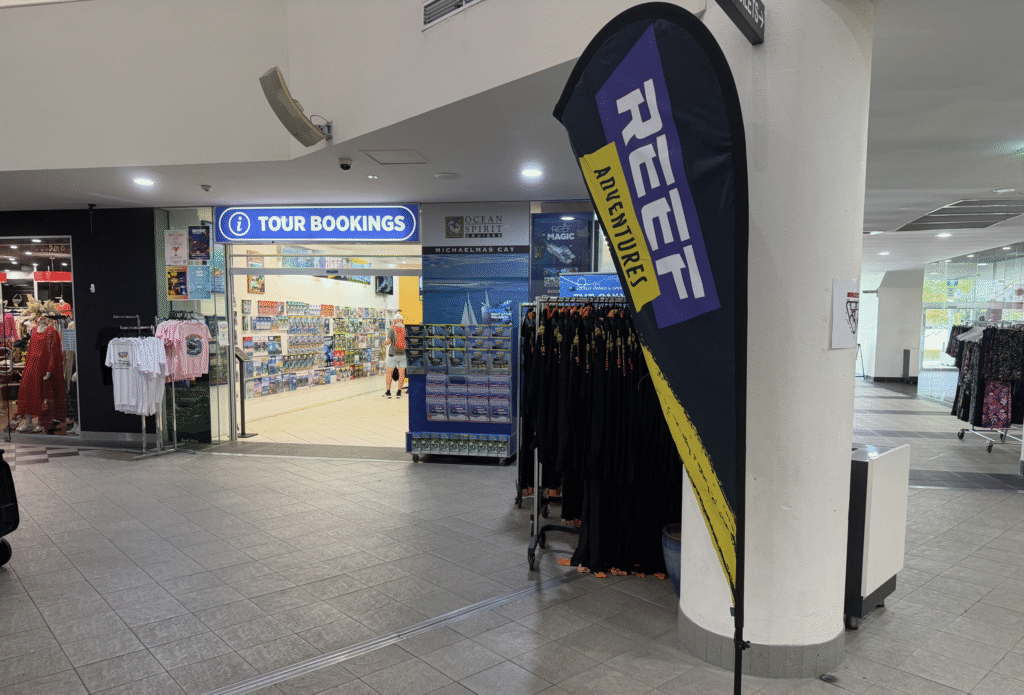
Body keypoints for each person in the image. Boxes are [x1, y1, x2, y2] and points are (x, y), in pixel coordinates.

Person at [383, 312, 407, 398]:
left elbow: (389, 341)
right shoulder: (405, 328)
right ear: (401, 320)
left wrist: (384, 343)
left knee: (389, 373)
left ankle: (388, 392)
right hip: (403, 355)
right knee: (401, 374)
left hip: (393, 354)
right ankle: (399, 392)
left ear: (394, 321)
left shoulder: (391, 328)